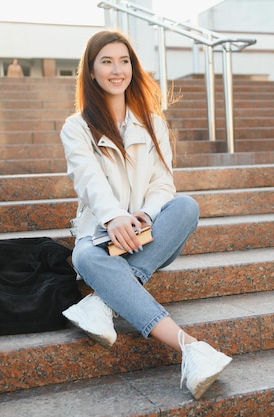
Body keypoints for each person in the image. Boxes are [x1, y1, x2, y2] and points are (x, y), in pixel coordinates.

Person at [59, 30, 232, 400]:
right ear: (91, 71)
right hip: (105, 234)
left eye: (124, 61)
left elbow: (163, 183)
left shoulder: (152, 122)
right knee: (85, 255)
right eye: (106, 61)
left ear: (133, 69)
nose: (117, 70)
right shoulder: (76, 127)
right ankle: (190, 349)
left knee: (186, 206)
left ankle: (102, 300)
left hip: (144, 233)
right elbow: (88, 179)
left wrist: (146, 215)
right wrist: (114, 218)